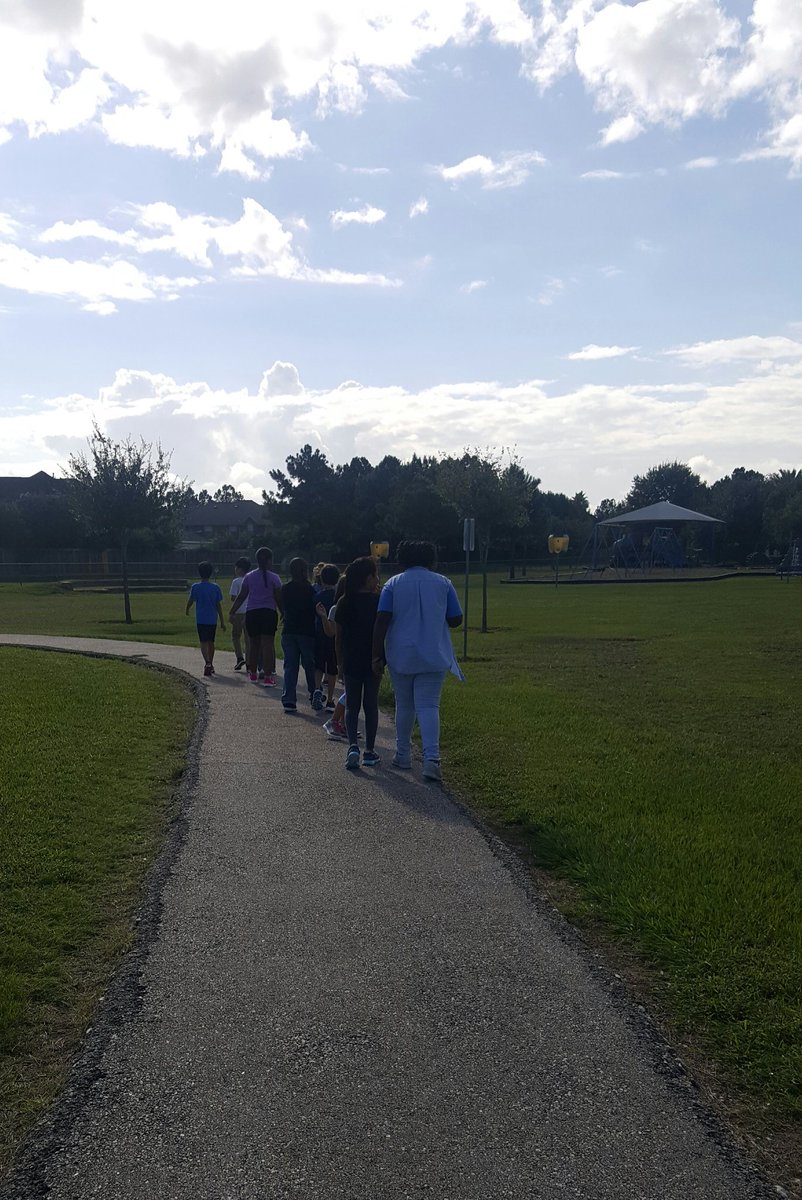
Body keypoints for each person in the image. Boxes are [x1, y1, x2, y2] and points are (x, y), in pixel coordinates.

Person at [372, 540, 462, 782]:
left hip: (401, 653)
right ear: (431, 559)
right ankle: (432, 759)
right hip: (434, 653)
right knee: (429, 705)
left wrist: (376, 654)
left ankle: (402, 754)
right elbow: (455, 619)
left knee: (405, 704)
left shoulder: (393, 584)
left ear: (402, 560)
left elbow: (382, 619)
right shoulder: (444, 583)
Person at [335, 556, 381, 770]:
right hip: (373, 660)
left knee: (352, 706)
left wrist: (340, 662)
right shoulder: (378, 601)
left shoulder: (345, 601)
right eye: (375, 575)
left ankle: (352, 745)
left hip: (351, 659)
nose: (377, 579)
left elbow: (339, 636)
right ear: (368, 578)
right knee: (371, 706)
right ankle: (370, 751)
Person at [230, 546, 283, 686]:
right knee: (268, 645)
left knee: (253, 645)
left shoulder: (249, 577)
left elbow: (241, 596)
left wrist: (232, 611)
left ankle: (252, 674)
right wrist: (284, 612)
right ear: (270, 561)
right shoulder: (275, 578)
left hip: (252, 613)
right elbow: (278, 598)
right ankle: (267, 676)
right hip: (268, 613)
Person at [279, 557, 322, 713]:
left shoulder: (285, 588)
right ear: (304, 571)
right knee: (309, 665)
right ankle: (314, 693)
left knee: (290, 666)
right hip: (306, 631)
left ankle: (289, 699)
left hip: (289, 630)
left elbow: (283, 607)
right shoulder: (310, 589)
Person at [186, 561, 226, 677]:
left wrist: (187, 609)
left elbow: (191, 600)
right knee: (211, 642)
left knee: (203, 642)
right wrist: (222, 621)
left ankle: (207, 662)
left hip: (201, 619)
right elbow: (218, 605)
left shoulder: (195, 587)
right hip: (212, 619)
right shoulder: (215, 587)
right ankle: (211, 663)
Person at [314, 563, 340, 709]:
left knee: (318, 666)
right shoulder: (338, 598)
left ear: (322, 579)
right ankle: (330, 699)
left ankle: (317, 689)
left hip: (319, 633)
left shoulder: (317, 596)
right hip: (333, 636)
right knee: (331, 669)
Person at [229, 555, 251, 670]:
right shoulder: (251, 579)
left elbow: (233, 597)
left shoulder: (236, 581)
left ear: (240, 569)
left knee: (236, 636)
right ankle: (249, 661)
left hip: (238, 612)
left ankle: (239, 657)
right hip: (249, 612)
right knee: (248, 638)